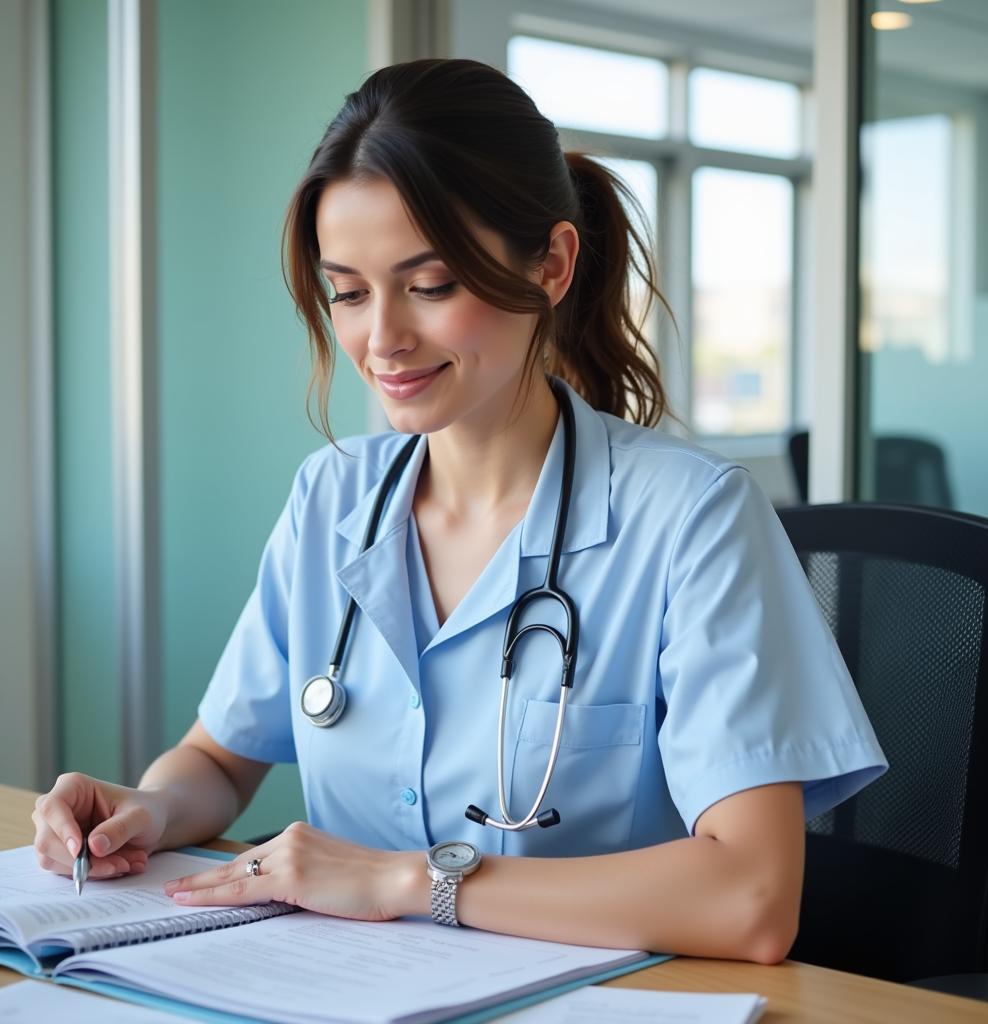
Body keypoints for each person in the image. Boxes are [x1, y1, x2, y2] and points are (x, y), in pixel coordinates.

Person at [32, 58, 887, 963]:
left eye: (430, 285)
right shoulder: (332, 502)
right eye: (350, 294)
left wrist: (407, 880)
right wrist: (151, 808)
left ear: (552, 265)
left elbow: (751, 900)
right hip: (342, 990)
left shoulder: (693, 521)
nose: (383, 338)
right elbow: (219, 757)